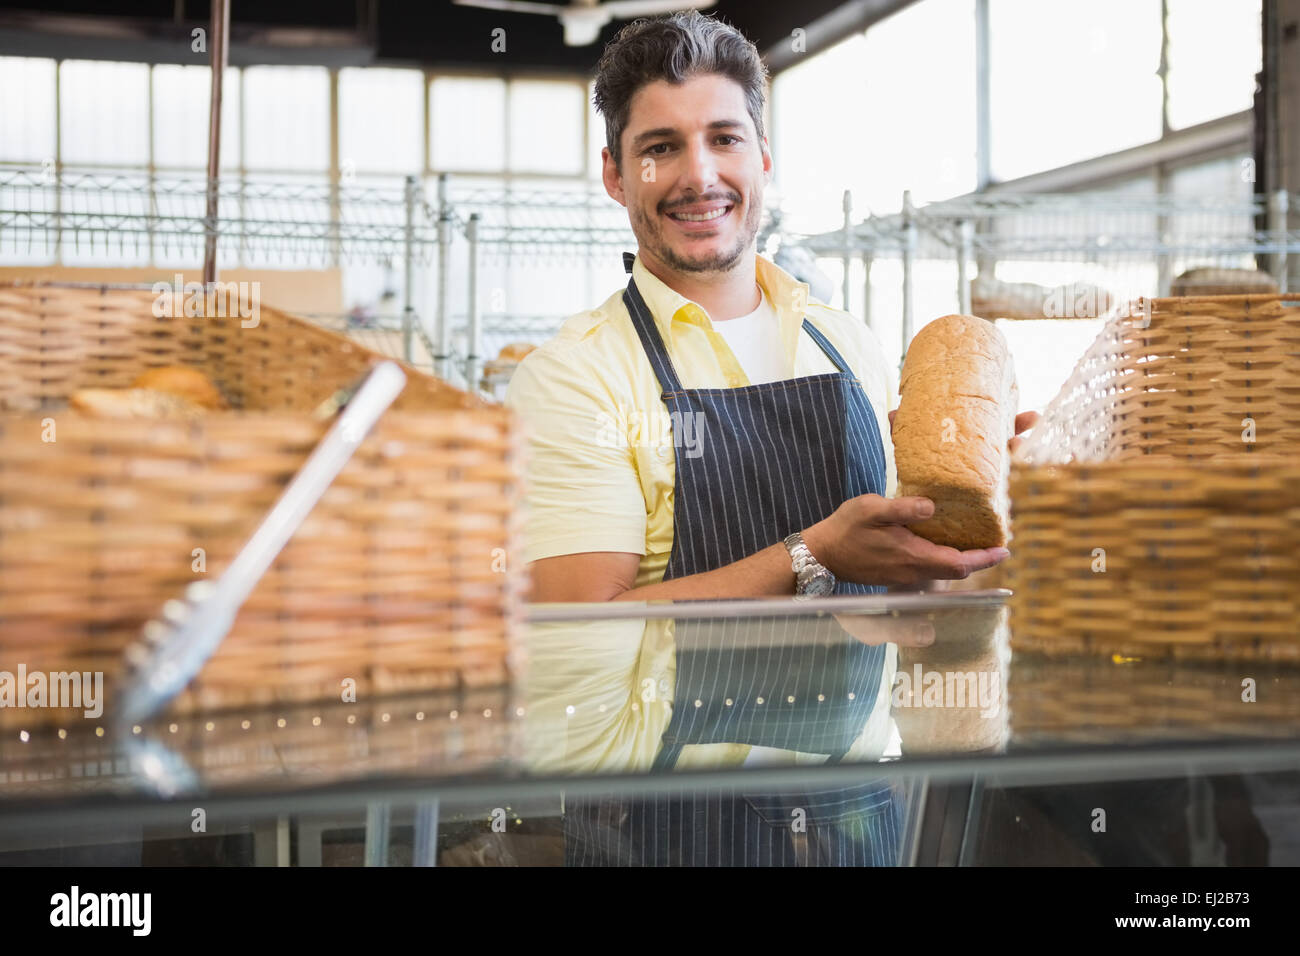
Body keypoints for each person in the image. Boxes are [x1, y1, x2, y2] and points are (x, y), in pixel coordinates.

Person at [505, 10, 1037, 866]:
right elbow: (575, 638)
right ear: (614, 174)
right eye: (661, 147)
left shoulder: (848, 340)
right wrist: (812, 556)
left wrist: (999, 505)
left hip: (861, 811)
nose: (699, 175)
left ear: (764, 156)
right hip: (667, 825)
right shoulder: (576, 378)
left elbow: (910, 591)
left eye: (723, 138)